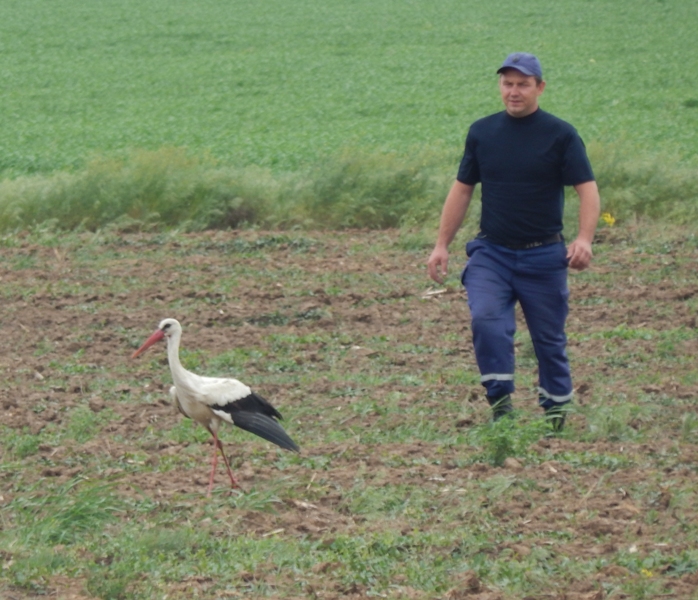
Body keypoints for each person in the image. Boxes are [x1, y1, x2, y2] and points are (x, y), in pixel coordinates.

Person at [427, 52, 600, 432]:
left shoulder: (561, 134)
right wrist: (441, 244)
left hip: (544, 256)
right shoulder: (482, 132)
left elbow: (587, 190)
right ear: (500, 86)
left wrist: (584, 239)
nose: (514, 91)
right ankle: (501, 405)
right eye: (508, 83)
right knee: (486, 319)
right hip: (492, 253)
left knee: (549, 341)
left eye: (523, 84)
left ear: (540, 87)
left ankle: (555, 414)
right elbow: (462, 190)